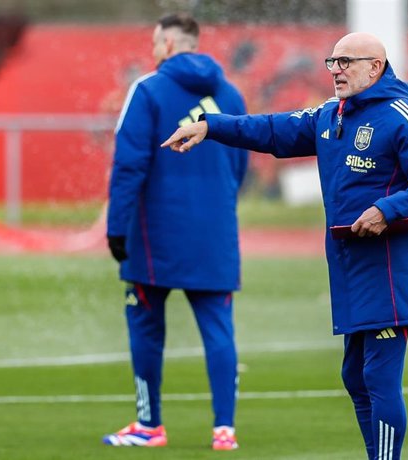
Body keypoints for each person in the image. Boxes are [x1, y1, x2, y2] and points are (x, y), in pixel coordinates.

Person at [162, 32, 408, 460]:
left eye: (346, 62)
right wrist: (211, 126)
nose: (335, 70)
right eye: (331, 62)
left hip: (391, 268)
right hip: (349, 267)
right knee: (355, 376)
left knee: (378, 377)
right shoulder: (330, 115)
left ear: (375, 67)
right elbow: (271, 130)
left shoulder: (404, 116)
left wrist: (386, 209)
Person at [103, 14, 248, 450]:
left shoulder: (147, 89)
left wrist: (116, 229)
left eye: (154, 42)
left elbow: (129, 165)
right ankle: (225, 431)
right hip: (216, 233)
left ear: (168, 42)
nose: (152, 51)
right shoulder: (231, 93)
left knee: (146, 326)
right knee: (219, 328)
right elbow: (241, 165)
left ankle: (149, 426)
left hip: (154, 233)